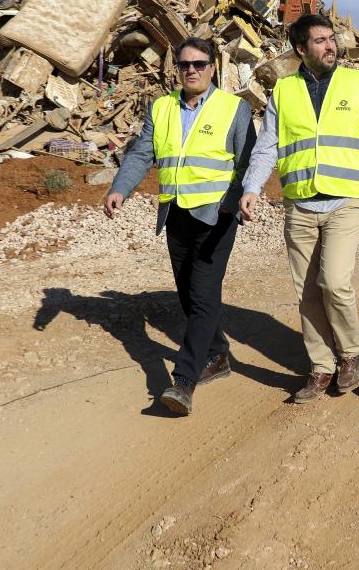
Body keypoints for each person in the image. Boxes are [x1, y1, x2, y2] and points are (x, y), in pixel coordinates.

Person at [239, 13, 359, 403]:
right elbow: (269, 144)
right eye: (321, 41)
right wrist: (252, 186)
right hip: (300, 202)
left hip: (346, 199)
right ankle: (321, 367)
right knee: (307, 291)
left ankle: (350, 355)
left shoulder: (356, 82)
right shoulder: (285, 90)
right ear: (301, 49)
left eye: (332, 39)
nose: (331, 46)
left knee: (335, 282)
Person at [103, 37, 256, 416]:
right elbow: (143, 152)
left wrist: (233, 201)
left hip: (216, 215)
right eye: (185, 64)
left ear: (212, 68)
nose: (192, 70)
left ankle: (183, 381)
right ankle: (217, 353)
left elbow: (247, 162)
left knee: (203, 295)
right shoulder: (163, 107)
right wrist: (120, 188)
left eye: (199, 64)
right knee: (187, 294)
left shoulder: (234, 108)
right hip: (176, 213)